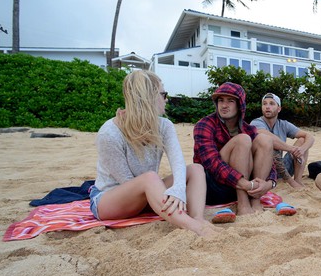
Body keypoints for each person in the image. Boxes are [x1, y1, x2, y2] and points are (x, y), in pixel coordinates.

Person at [90, 70, 215, 237]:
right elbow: (127, 182)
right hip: (111, 199)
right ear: (149, 98)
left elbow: (177, 161)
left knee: (196, 169)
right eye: (164, 94)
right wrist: (161, 193)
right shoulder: (110, 133)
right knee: (150, 178)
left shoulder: (165, 125)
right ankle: (195, 228)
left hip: (148, 191)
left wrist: (178, 189)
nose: (167, 99)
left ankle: (197, 218)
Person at [193, 82, 279, 218]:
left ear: (240, 105)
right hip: (213, 187)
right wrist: (245, 184)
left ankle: (255, 201)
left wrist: (269, 184)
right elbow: (211, 163)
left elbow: (270, 163)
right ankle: (243, 205)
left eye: (230, 101)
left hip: (246, 187)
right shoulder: (205, 125)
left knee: (265, 140)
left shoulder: (248, 128)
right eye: (220, 100)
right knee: (243, 140)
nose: (224, 105)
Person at [250, 93, 315, 189]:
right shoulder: (256, 123)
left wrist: (301, 149)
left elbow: (309, 136)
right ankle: (293, 182)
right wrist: (292, 149)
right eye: (264, 104)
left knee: (302, 140)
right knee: (269, 144)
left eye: (272, 104)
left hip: (280, 168)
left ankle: (298, 180)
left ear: (279, 108)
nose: (267, 107)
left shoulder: (283, 124)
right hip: (262, 169)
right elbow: (269, 139)